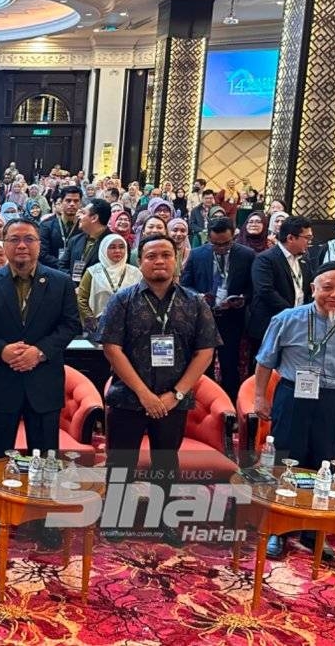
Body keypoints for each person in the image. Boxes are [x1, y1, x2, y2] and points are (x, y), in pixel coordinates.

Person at [98, 234, 220, 545]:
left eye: (166, 255)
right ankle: (116, 517)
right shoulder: (122, 300)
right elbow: (112, 348)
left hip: (173, 400)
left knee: (166, 462)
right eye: (151, 256)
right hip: (128, 397)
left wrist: (175, 394)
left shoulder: (195, 303)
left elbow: (205, 352)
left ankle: (166, 519)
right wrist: (144, 395)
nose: (159, 261)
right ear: (140, 262)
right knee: (120, 460)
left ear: (177, 259)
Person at [0, 217, 81, 538]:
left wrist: (39, 352)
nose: (22, 246)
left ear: (39, 244)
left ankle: (44, 518)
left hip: (43, 382)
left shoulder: (59, 282)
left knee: (45, 455)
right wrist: (2, 350)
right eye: (14, 239)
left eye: (29, 239)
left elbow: (71, 325)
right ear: (2, 244)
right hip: (0, 380)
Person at [254, 262, 335, 560]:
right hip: (292, 397)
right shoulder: (286, 319)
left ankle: (315, 533)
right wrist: (259, 396)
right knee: (285, 462)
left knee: (327, 465)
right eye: (327, 287)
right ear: (313, 289)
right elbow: (265, 362)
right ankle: (278, 530)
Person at [180, 217, 255, 401]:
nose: (221, 249)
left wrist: (243, 299)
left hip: (231, 317)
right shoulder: (198, 254)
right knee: (202, 363)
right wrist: (198, 297)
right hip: (204, 317)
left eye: (226, 244)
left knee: (230, 363)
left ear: (234, 236)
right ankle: (202, 402)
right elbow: (185, 284)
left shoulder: (247, 255)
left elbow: (253, 287)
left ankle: (229, 404)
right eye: (215, 244)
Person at [248, 216, 314, 359]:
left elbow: (308, 290)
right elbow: (265, 291)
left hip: (297, 325)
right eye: (307, 238)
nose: (309, 242)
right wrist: (293, 313)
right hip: (271, 323)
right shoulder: (265, 259)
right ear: (291, 238)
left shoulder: (304, 260)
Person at [77, 234, 142, 338]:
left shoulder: (135, 273)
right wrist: (92, 323)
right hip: (98, 327)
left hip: (129, 327)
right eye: (112, 247)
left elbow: (142, 299)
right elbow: (82, 299)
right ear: (103, 249)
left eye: (121, 247)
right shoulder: (92, 272)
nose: (117, 251)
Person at [58, 198, 111, 282]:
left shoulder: (114, 243)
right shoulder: (75, 240)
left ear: (94, 218)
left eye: (83, 213)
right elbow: (62, 266)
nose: (78, 216)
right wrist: (72, 285)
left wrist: (84, 288)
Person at [38, 186, 82, 269]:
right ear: (61, 202)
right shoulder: (46, 226)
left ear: (80, 204)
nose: (72, 204)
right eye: (68, 201)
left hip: (75, 273)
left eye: (76, 201)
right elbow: (42, 254)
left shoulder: (84, 228)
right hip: (51, 272)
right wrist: (63, 265)